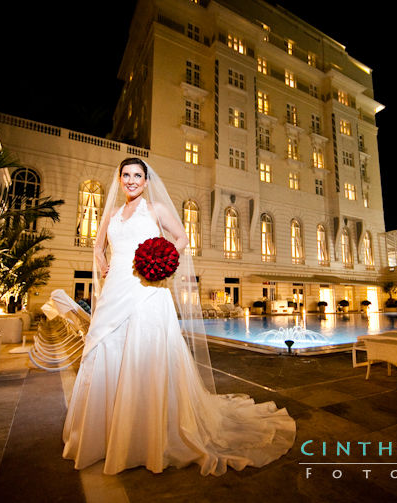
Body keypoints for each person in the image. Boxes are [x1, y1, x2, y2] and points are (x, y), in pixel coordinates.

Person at [62, 158, 296, 476]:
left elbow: (182, 237)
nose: (132, 180)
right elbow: (98, 245)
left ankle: (146, 434)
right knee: (107, 350)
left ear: (146, 181)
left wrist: (164, 260)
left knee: (145, 354)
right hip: (115, 290)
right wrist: (101, 259)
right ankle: (107, 432)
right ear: (119, 180)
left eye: (137, 176)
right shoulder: (112, 214)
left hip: (147, 288)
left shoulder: (155, 209)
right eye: (126, 175)